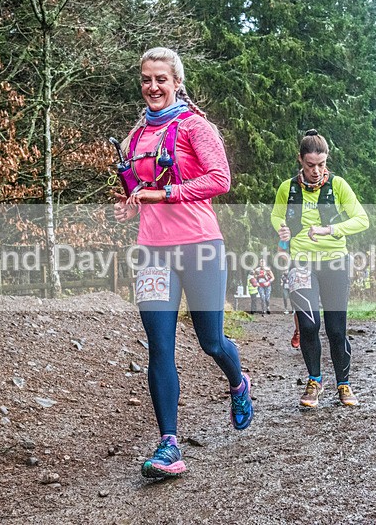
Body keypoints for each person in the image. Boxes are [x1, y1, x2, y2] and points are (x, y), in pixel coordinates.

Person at [113, 47, 253, 479]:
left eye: (161, 79)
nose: (152, 87)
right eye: (145, 79)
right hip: (154, 251)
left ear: (176, 82)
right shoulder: (134, 138)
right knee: (160, 346)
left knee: (210, 341)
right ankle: (169, 445)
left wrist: (164, 195)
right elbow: (141, 189)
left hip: (200, 247)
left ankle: (238, 381)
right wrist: (132, 205)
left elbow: (220, 180)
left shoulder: (196, 126)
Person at [271, 129, 369, 408]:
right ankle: (314, 381)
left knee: (336, 330)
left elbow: (362, 219)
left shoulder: (338, 186)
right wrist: (282, 233)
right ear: (300, 160)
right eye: (310, 165)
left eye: (322, 164)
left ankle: (344, 385)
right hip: (300, 262)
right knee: (309, 324)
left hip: (336, 261)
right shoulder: (287, 188)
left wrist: (331, 229)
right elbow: (277, 216)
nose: (316, 171)